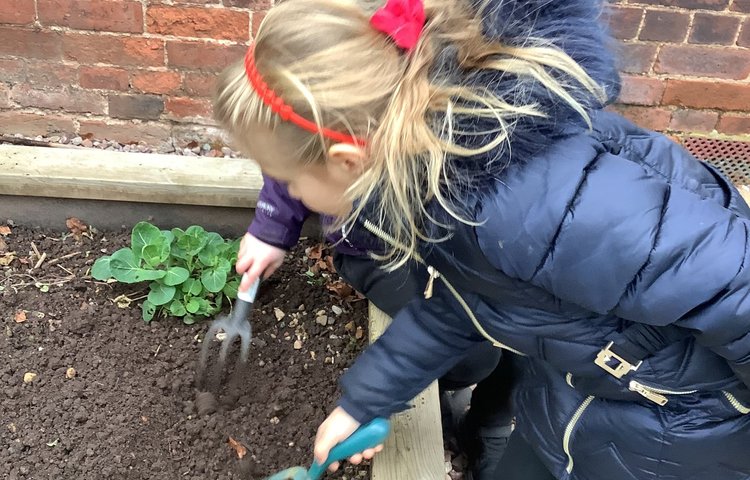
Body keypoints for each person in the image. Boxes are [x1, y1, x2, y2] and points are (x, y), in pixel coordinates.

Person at [214, 0, 750, 478]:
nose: (282, 191)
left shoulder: (538, 212)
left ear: (348, 162)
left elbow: (735, 284)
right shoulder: (450, 194)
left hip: (682, 436)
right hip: (575, 396)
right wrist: (365, 400)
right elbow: (464, 302)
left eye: (284, 178)